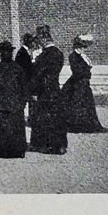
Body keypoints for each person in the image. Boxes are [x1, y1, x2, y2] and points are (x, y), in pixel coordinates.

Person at [0, 41, 28, 158]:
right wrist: (23, 102)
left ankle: (1, 151)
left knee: (1, 129)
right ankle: (17, 151)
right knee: (16, 128)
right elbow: (24, 87)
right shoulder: (18, 69)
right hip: (15, 105)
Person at [29, 25, 67, 155]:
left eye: (39, 40)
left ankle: (47, 144)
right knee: (57, 118)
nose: (38, 43)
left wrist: (34, 92)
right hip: (55, 89)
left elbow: (38, 75)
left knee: (45, 118)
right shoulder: (59, 53)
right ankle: (61, 145)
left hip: (44, 91)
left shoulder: (43, 56)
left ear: (43, 40)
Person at [63, 35, 104, 133]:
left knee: (87, 105)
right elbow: (76, 70)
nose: (83, 49)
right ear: (77, 47)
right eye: (81, 47)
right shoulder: (73, 56)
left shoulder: (82, 56)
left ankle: (90, 125)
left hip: (84, 83)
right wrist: (87, 71)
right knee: (78, 105)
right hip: (77, 84)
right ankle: (78, 126)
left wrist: (87, 69)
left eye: (83, 47)